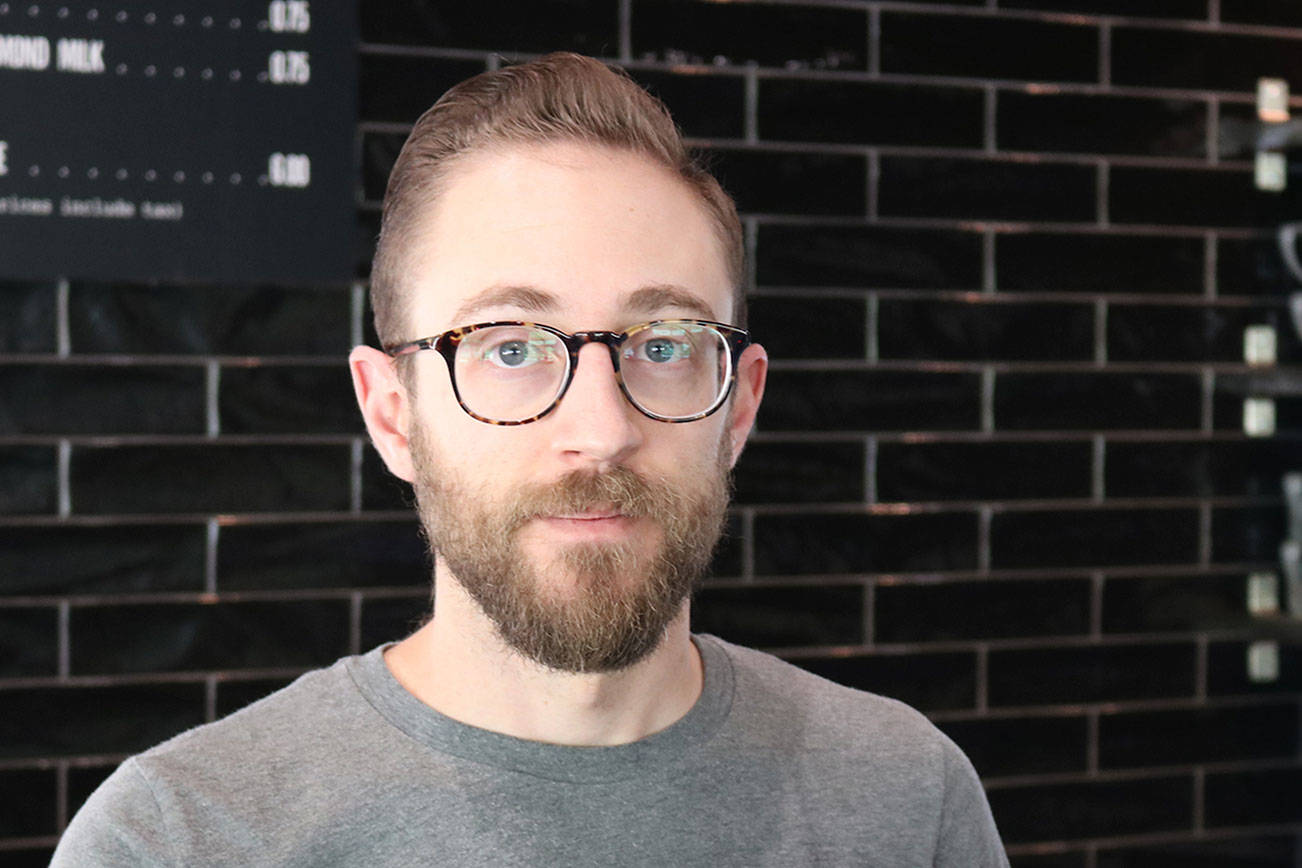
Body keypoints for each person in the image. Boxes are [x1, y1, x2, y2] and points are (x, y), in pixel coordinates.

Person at [53, 52, 1008, 866]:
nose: (601, 430)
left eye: (662, 344)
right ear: (393, 415)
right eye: (510, 347)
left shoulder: (907, 798)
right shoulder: (174, 840)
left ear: (740, 406)